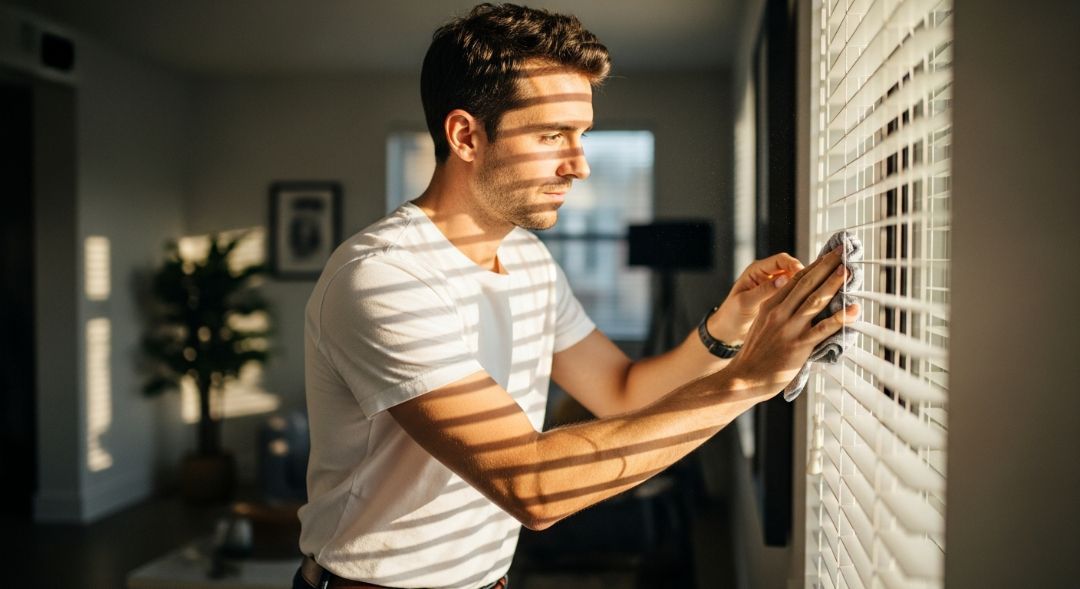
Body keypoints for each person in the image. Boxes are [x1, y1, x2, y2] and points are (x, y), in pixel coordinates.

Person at [293, 4, 859, 589]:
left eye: (582, 135)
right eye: (551, 134)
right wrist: (749, 381)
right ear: (466, 135)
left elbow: (621, 393)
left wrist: (732, 325)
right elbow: (531, 487)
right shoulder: (386, 277)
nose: (580, 165)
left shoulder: (528, 258)